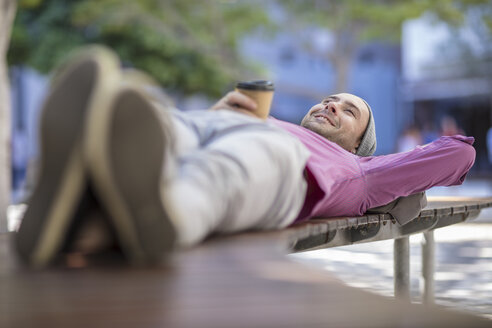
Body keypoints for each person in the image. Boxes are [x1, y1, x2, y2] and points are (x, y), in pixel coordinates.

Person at [15, 46, 476, 267]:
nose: (329, 104)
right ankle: (81, 196)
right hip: (228, 127)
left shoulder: (364, 171)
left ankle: (165, 217)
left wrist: (401, 179)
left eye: (348, 109)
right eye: (327, 100)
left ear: (360, 144)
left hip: (286, 170)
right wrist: (223, 113)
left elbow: (458, 155)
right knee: (170, 123)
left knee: (237, 164)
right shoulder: (274, 120)